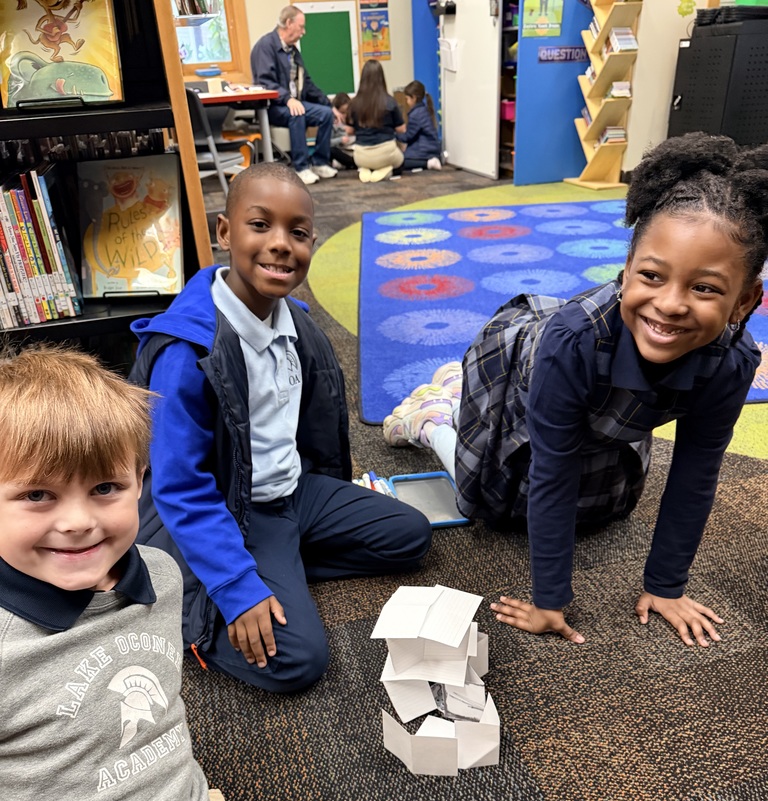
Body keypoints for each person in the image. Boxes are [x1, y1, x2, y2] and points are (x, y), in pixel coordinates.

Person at [0, 345, 471, 801]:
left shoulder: (155, 576)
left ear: (141, 481)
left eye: (104, 488)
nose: (78, 520)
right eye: (38, 495)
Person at [383, 133, 768, 648]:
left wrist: (667, 587)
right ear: (627, 269)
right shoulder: (572, 341)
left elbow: (696, 473)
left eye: (704, 288)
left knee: (604, 510)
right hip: (519, 368)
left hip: (602, 402)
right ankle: (435, 414)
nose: (671, 304)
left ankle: (451, 396)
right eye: (652, 276)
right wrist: (550, 601)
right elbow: (553, 472)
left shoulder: (733, 360)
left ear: (745, 302)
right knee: (487, 502)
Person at [130, 163, 432, 694]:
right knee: (299, 660)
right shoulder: (188, 352)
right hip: (232, 508)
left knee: (411, 537)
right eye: (260, 225)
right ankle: (200, 615)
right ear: (225, 233)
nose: (280, 245)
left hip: (293, 492)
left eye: (297, 233)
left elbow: (306, 423)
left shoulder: (295, 320)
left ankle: (279, 569)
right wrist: (235, 586)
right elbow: (179, 485)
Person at [251, 5, 337, 186]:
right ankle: (301, 167)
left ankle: (320, 162)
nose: (303, 32)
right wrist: (288, 99)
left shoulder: (293, 52)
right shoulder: (265, 47)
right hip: (273, 107)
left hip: (293, 103)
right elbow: (264, 82)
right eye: (301, 26)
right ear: (288, 23)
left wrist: (330, 105)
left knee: (325, 114)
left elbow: (308, 84)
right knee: (297, 112)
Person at [347, 58, 405, 183]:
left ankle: (366, 169)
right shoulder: (390, 101)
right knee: (400, 162)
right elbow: (401, 129)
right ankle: (386, 170)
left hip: (361, 155)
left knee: (365, 161)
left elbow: (350, 130)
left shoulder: (354, 103)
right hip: (386, 153)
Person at [399, 80, 442, 173]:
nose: (406, 102)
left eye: (407, 99)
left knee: (399, 162)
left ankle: (428, 163)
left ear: (413, 98)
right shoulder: (422, 110)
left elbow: (408, 136)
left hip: (424, 151)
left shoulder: (416, 114)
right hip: (429, 149)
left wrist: (394, 135)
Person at [330, 90, 356, 169]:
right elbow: (328, 143)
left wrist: (354, 130)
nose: (345, 115)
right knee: (331, 151)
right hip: (342, 150)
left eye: (347, 112)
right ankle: (353, 163)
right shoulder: (333, 123)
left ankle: (352, 163)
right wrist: (340, 139)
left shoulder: (354, 118)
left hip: (355, 149)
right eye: (342, 112)